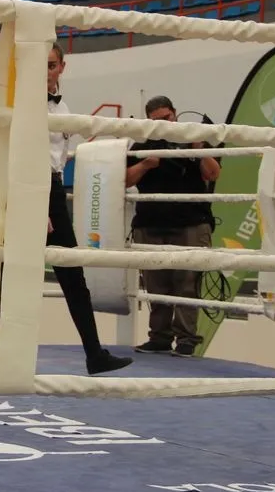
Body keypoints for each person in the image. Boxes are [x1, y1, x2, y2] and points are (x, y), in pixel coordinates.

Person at [45, 43, 133, 375]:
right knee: (8, 273)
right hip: (33, 189)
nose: (46, 72)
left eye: (51, 65)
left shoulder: (63, 106)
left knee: (72, 275)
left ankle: (94, 354)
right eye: (41, 65)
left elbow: (63, 150)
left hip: (52, 189)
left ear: (62, 67)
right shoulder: (22, 104)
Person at [126, 95, 219, 357]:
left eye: (167, 118)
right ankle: (159, 337)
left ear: (175, 113)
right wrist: (146, 163)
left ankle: (187, 339)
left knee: (188, 284)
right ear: (149, 121)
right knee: (156, 285)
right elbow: (125, 179)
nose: (164, 124)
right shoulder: (143, 143)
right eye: (156, 121)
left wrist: (198, 150)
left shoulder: (196, 136)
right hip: (150, 222)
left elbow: (213, 174)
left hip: (191, 221)